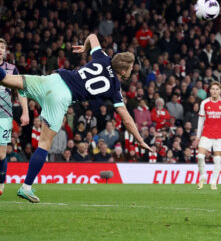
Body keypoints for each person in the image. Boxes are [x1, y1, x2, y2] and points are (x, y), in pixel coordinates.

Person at [0, 34, 151, 203]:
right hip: (61, 97)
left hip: (53, 79)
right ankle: (26, 187)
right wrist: (139, 140)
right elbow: (127, 120)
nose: (131, 72)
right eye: (130, 69)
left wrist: (85, 47)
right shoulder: (115, 88)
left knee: (5, 79)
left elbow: (93, 36)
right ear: (123, 71)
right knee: (44, 144)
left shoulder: (103, 57)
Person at [193, 81, 221, 190]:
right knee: (200, 156)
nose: (215, 91)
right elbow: (201, 119)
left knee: (217, 159)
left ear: (220, 91)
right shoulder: (204, 103)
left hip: (220, 136)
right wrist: (198, 136)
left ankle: (214, 181)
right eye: (213, 89)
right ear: (210, 91)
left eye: (217, 89)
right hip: (206, 134)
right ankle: (203, 177)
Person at [0, 38, 29, 198]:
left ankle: (1, 180)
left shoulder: (11, 69)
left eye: (2, 47)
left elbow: (21, 90)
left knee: (1, 155)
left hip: (4, 116)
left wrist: (25, 111)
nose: (0, 50)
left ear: (5, 51)